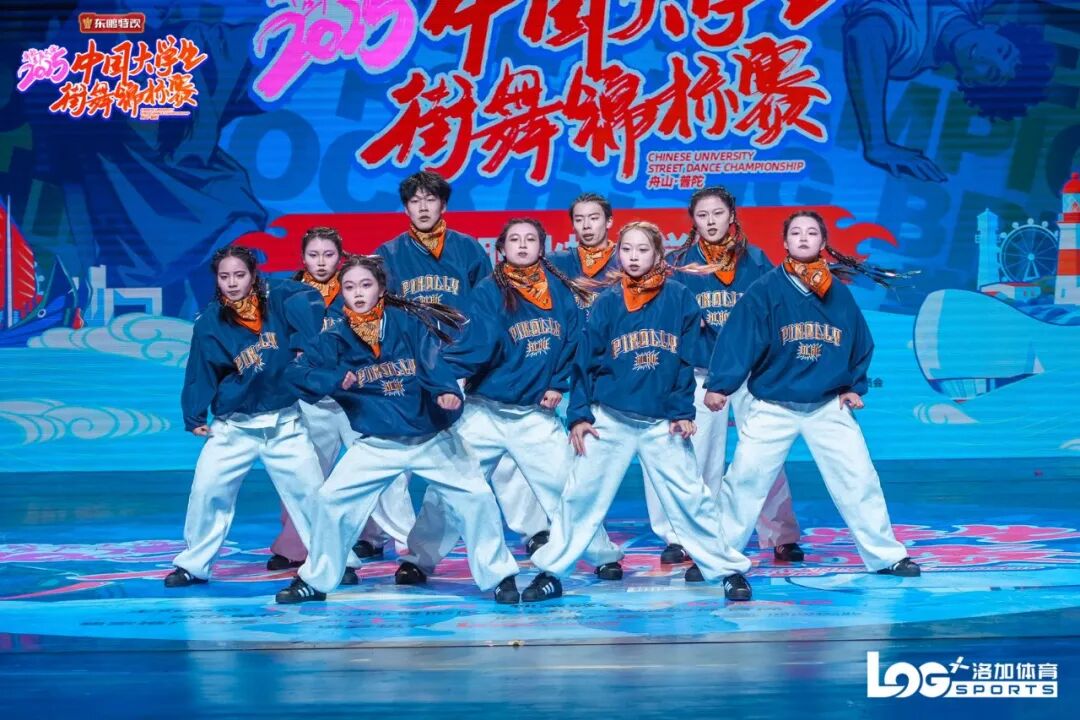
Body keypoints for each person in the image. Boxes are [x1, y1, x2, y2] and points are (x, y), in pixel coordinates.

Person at [521, 221, 753, 603]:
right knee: (580, 497)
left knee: (691, 498)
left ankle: (727, 571)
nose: (633, 256)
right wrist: (579, 416)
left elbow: (686, 361)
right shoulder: (607, 302)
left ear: (658, 254)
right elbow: (585, 363)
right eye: (626, 249)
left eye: (642, 250)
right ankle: (551, 572)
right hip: (610, 420)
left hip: (661, 423)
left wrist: (682, 411)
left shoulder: (679, 298)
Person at [274, 254, 521, 604]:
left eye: (365, 285)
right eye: (349, 287)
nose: (358, 293)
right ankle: (315, 580)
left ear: (381, 288)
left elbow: (433, 362)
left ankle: (500, 577)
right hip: (377, 444)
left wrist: (446, 391)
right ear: (341, 292)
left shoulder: (408, 324)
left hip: (430, 439)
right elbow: (295, 374)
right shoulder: (335, 338)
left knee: (477, 497)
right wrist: (333, 378)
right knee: (330, 500)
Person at [401, 219, 624, 584]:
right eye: (515, 239)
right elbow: (474, 346)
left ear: (542, 247)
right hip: (483, 412)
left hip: (534, 415)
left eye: (530, 239)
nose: (522, 245)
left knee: (568, 488)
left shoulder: (560, 290)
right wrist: (441, 376)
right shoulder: (488, 291)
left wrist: (557, 382)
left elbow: (573, 341)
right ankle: (418, 559)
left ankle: (602, 554)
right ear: (502, 248)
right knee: (451, 488)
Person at [705, 210, 921, 578]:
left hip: (827, 405)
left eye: (811, 233)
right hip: (773, 405)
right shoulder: (765, 290)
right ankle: (720, 558)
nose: (803, 238)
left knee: (859, 479)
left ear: (823, 242)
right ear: (784, 242)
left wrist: (853, 386)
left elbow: (859, 341)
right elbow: (739, 338)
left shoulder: (837, 292)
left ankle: (886, 556)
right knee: (744, 480)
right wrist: (720, 385)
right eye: (796, 233)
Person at [648, 186, 804, 566]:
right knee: (695, 457)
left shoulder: (755, 260)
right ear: (693, 220)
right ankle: (685, 536)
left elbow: (778, 311)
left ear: (731, 215)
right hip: (702, 373)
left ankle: (780, 535)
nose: (711, 221)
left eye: (718, 213)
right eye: (702, 215)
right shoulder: (679, 264)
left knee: (762, 455)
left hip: (751, 374)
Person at [165, 246, 327, 587]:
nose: (232, 283)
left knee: (311, 494)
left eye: (239, 275)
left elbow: (312, 298)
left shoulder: (280, 298)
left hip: (285, 424)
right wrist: (194, 415)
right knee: (207, 491)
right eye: (224, 276)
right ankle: (193, 565)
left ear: (253, 275)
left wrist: (302, 341)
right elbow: (200, 371)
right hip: (233, 426)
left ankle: (332, 562)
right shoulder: (210, 322)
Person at [267, 226, 416, 571]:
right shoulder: (287, 295)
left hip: (359, 397)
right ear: (302, 257)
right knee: (305, 476)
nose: (321, 262)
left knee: (385, 471)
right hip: (312, 401)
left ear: (341, 256)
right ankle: (296, 546)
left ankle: (409, 547)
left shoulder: (357, 288)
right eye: (313, 255)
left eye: (328, 254)